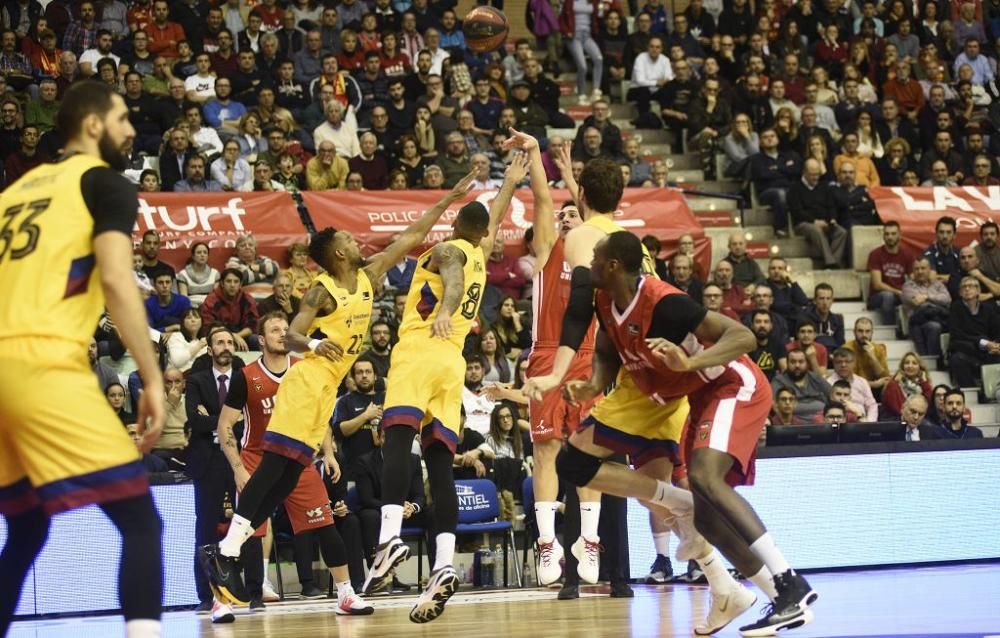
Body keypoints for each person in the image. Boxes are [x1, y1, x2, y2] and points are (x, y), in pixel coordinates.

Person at [199, 171, 481, 610]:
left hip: (326, 393)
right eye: (349, 238)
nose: (356, 241)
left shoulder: (368, 274)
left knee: (289, 477)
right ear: (338, 252)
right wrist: (313, 342)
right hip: (305, 382)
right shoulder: (322, 291)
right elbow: (290, 334)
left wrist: (449, 198)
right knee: (274, 469)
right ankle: (228, 550)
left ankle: (231, 550)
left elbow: (412, 235)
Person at [555, 232, 818, 635]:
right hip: (696, 396)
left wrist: (687, 363)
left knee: (705, 480)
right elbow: (608, 353)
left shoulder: (664, 302)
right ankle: (763, 595)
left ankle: (790, 583)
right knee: (708, 519)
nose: (588, 263)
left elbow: (742, 336)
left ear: (613, 266)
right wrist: (592, 385)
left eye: (595, 258)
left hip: (734, 383)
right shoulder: (606, 301)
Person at [0, 82, 166, 638]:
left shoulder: (14, 193)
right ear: (92, 125)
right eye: (121, 119)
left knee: (26, 527)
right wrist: (152, 378)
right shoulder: (105, 183)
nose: (129, 130)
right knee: (140, 520)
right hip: (41, 363)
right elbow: (118, 280)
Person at [361, 158, 525, 625]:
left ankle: (389, 536)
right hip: (452, 364)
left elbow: (450, 279)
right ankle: (444, 564)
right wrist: (509, 182)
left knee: (396, 438)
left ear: (457, 226)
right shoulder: (481, 249)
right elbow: (492, 220)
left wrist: (445, 310)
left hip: (420, 348)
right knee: (438, 464)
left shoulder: (451, 249)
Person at [216, 312, 372, 618]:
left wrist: (328, 452)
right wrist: (237, 468)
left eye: (286, 330)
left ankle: (346, 594)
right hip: (257, 456)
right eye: (275, 330)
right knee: (247, 532)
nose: (282, 334)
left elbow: (321, 415)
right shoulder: (245, 375)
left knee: (325, 525)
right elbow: (224, 426)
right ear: (261, 340)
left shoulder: (305, 369)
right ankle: (229, 598)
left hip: (299, 457)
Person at [866, 222, 914, 326]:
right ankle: (890, 330)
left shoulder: (907, 254)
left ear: (899, 235)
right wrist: (897, 292)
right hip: (877, 297)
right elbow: (877, 284)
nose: (890, 237)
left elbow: (913, 278)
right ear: (883, 236)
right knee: (888, 296)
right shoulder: (875, 254)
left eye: (893, 234)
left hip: (899, 294)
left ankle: (907, 330)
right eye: (887, 234)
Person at [771, 349, 833, 419]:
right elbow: (775, 406)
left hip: (822, 422)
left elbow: (832, 396)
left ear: (807, 363)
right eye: (793, 362)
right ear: (787, 363)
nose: (797, 365)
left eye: (801, 362)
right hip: (793, 424)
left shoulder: (815, 378)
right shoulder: (779, 381)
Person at [842, 318, 891, 395]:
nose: (864, 335)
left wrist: (873, 358)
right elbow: (847, 379)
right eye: (860, 331)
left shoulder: (878, 349)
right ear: (854, 332)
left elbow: (886, 377)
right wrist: (873, 384)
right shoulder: (846, 349)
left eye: (867, 331)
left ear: (872, 333)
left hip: (874, 390)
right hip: (853, 390)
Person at [882, 352, 932, 419]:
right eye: (907, 363)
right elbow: (898, 410)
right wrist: (895, 383)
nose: (910, 366)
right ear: (902, 366)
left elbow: (929, 406)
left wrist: (925, 383)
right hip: (898, 421)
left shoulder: (924, 385)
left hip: (918, 420)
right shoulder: (893, 385)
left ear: (920, 367)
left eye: (914, 363)